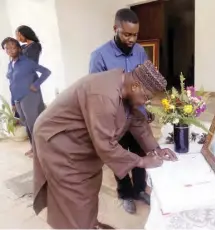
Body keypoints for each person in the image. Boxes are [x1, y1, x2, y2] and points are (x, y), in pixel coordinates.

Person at [32, 60, 177, 229]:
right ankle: (76, 225)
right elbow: (106, 146)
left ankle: (86, 223)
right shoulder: (104, 95)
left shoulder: (126, 89)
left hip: (80, 140)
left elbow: (138, 124)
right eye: (146, 97)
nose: (145, 102)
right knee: (74, 191)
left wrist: (156, 150)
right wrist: (142, 161)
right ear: (136, 86)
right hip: (59, 142)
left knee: (89, 185)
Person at [89, 8, 152, 214]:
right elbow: (96, 91)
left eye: (135, 34)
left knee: (141, 151)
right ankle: (125, 193)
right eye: (126, 34)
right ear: (115, 29)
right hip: (115, 118)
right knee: (120, 156)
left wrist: (145, 101)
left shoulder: (140, 51)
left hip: (138, 114)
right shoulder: (99, 56)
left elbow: (143, 80)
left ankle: (141, 189)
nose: (132, 39)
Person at [1, 37, 50, 154]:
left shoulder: (27, 62)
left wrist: (36, 84)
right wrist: (13, 102)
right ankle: (34, 148)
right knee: (26, 124)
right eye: (7, 48)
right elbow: (12, 83)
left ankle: (40, 150)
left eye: (13, 47)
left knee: (33, 124)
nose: (10, 50)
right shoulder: (10, 65)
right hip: (18, 98)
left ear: (18, 48)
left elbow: (46, 72)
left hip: (29, 97)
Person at [15, 25, 43, 157]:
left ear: (24, 34)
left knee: (33, 120)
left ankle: (39, 150)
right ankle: (33, 148)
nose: (17, 37)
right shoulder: (24, 47)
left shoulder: (34, 46)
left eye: (18, 34)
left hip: (30, 85)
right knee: (26, 120)